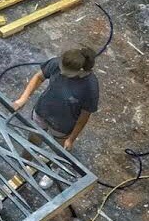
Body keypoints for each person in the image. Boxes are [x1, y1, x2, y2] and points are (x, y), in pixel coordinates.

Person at [12, 47, 99, 188]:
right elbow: (39, 77)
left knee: (58, 149)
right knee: (33, 139)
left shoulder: (90, 87)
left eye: (66, 73)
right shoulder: (59, 63)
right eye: (61, 68)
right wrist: (22, 99)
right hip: (43, 111)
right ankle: (24, 163)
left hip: (63, 124)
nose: (61, 72)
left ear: (81, 71)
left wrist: (71, 139)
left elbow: (84, 116)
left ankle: (53, 169)